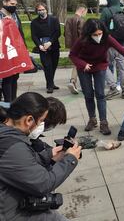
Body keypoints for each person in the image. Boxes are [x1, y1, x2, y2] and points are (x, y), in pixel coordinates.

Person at [0, 92, 81, 221]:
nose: (41, 125)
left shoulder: (8, 133)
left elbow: (23, 164)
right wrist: (70, 159)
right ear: (29, 120)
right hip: (10, 212)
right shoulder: (12, 146)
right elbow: (43, 184)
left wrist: (50, 156)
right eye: (41, 121)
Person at [69, 19, 124, 135]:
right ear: (89, 33)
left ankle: (103, 122)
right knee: (88, 94)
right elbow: (72, 55)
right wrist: (82, 64)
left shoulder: (107, 38)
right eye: (95, 35)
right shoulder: (82, 40)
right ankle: (92, 119)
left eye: (100, 34)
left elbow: (123, 52)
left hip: (100, 66)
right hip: (84, 68)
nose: (98, 36)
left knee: (100, 95)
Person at [100, 0, 124, 99]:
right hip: (122, 45)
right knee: (122, 68)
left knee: (104, 65)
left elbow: (100, 27)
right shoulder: (123, 12)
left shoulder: (106, 11)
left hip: (109, 44)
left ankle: (113, 87)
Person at [0, 0, 25, 103]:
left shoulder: (15, 15)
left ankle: (14, 101)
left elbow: (20, 32)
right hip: (3, 52)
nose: (13, 6)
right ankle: (8, 103)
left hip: (15, 51)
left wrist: (23, 49)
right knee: (7, 77)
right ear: (4, 2)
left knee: (15, 76)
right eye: (11, 4)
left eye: (15, 5)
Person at [30, 3, 61, 93]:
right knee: (47, 66)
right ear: (37, 11)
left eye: (43, 9)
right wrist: (39, 45)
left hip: (54, 46)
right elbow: (34, 35)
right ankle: (50, 86)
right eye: (39, 10)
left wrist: (50, 42)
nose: (41, 11)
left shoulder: (54, 20)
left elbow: (57, 32)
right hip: (42, 48)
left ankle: (51, 82)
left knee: (53, 66)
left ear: (46, 9)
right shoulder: (34, 22)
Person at [64, 5, 87, 94]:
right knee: (80, 65)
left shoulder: (68, 19)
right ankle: (75, 82)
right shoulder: (81, 20)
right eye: (85, 12)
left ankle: (73, 81)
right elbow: (82, 34)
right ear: (82, 10)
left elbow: (65, 34)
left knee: (77, 64)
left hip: (72, 46)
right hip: (80, 46)